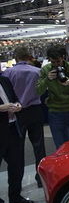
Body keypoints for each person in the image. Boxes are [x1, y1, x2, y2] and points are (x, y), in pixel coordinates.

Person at [2, 45, 46, 188]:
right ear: (29, 57)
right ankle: (41, 178)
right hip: (35, 110)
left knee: (18, 148)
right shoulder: (38, 71)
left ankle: (17, 184)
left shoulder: (8, 73)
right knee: (39, 146)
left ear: (16, 57)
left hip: (17, 111)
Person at [36, 45, 69, 148]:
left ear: (63, 57)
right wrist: (47, 79)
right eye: (53, 62)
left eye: (58, 62)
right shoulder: (46, 70)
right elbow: (38, 91)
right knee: (61, 146)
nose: (56, 65)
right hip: (55, 112)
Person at [0, 75, 33, 203]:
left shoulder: (4, 80)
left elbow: (13, 97)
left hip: (12, 127)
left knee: (16, 164)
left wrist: (17, 104)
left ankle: (15, 196)